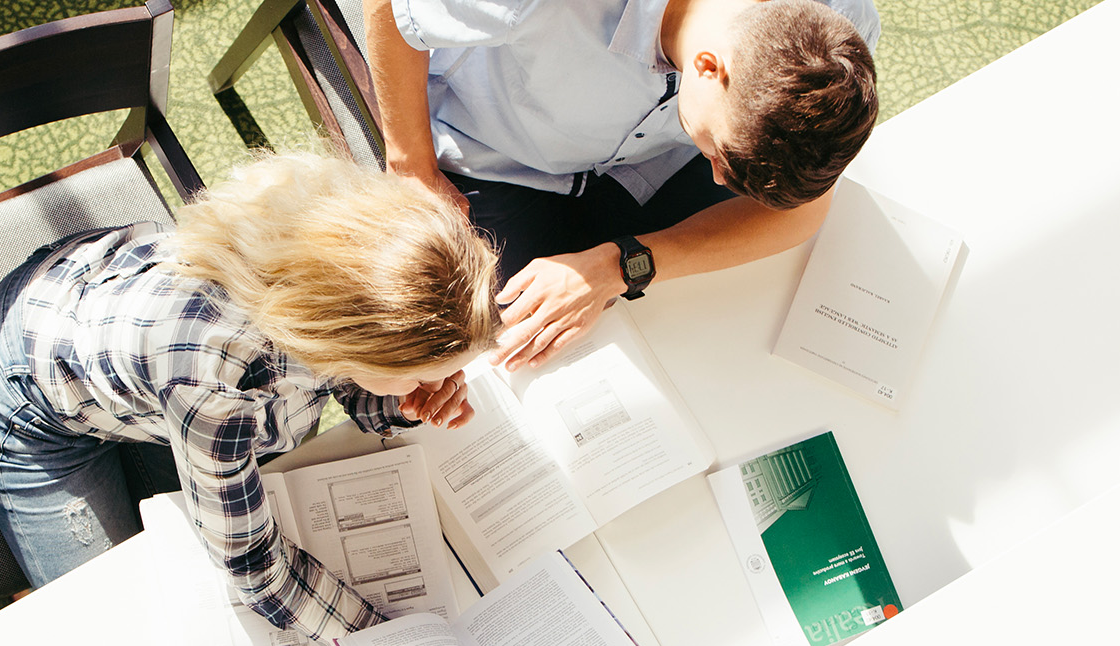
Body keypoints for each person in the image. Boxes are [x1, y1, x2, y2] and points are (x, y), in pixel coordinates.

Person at [0, 151, 500, 641]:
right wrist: (397, 643)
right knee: (118, 630)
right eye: (420, 375)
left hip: (100, 294)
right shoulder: (214, 379)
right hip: (34, 406)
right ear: (343, 343)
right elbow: (257, 569)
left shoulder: (329, 274)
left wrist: (400, 402)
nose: (434, 386)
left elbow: (340, 376)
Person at [364, 0, 881, 370]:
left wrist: (622, 266)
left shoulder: (837, 31)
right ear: (707, 68)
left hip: (644, 160)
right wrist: (412, 166)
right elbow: (390, 7)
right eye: (722, 157)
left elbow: (804, 210)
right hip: (494, 149)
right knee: (478, 347)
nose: (721, 178)